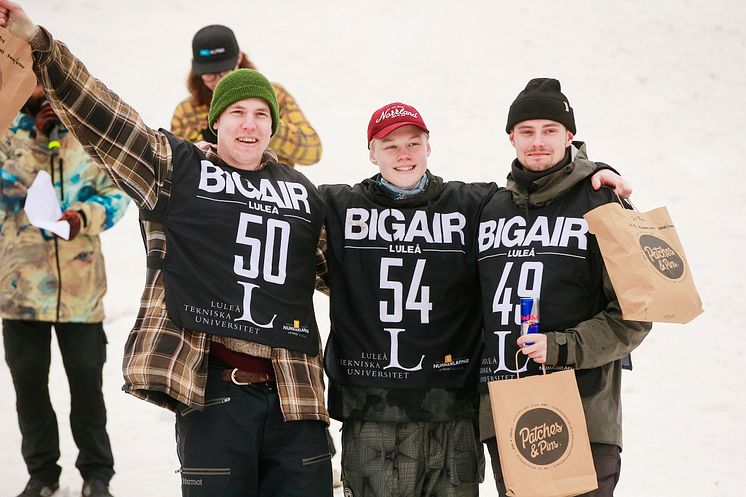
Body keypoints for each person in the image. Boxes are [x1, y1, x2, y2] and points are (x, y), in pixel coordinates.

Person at [0, 3, 332, 497]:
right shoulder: (177, 171)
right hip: (216, 394)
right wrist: (41, 43)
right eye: (237, 112)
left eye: (261, 114)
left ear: (272, 125)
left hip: (297, 399)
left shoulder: (301, 193)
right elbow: (106, 118)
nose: (249, 123)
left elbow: (358, 269)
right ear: (214, 122)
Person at [318, 102, 631, 497]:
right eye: (390, 145)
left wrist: (593, 171)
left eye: (413, 143)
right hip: (372, 408)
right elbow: (278, 203)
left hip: (456, 406)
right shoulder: (338, 207)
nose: (403, 155)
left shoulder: (472, 205)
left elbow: (544, 188)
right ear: (371, 152)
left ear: (429, 147)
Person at [476, 78, 652, 497]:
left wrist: (562, 346)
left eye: (550, 130)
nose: (538, 142)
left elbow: (637, 313)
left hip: (584, 414)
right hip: (509, 414)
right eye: (527, 131)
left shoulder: (603, 203)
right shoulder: (489, 209)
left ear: (569, 136)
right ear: (511, 137)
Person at [0, 85, 130, 497]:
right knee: (30, 386)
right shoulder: (7, 133)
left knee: (86, 382)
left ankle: (97, 475)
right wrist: (37, 142)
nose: (40, 90)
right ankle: (42, 475)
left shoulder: (87, 133)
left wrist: (83, 217)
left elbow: (116, 192)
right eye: (31, 81)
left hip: (81, 290)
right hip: (21, 292)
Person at [171, 24, 322, 167]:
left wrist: (264, 127)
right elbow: (177, 167)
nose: (218, 81)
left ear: (239, 58)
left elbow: (313, 151)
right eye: (209, 74)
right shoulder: (186, 111)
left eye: (224, 72)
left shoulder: (275, 96)